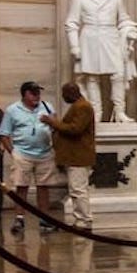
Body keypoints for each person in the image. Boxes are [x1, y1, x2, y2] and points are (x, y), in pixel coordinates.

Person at [0, 81, 57, 234]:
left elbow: (56, 127)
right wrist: (13, 152)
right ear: (24, 94)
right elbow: (4, 134)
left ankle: (44, 218)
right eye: (32, 93)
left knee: (43, 186)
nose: (36, 96)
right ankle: (19, 218)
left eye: (38, 93)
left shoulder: (47, 107)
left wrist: (51, 121)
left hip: (45, 153)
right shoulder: (13, 110)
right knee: (21, 186)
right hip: (22, 153)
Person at [42, 83, 95, 231]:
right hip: (73, 156)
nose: (63, 97)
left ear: (71, 93)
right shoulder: (78, 106)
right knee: (75, 189)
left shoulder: (83, 107)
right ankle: (80, 219)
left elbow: (75, 129)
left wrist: (53, 123)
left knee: (78, 190)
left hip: (79, 156)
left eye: (64, 93)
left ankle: (84, 220)